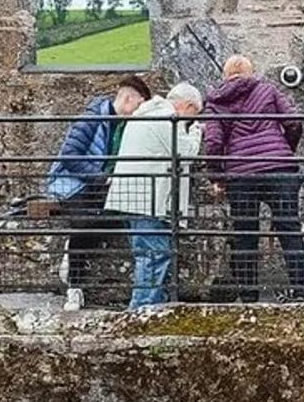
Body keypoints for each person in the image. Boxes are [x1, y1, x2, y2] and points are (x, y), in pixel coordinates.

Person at [203, 55, 304, 303]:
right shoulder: (268, 89)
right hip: (279, 170)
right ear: (251, 72)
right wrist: (284, 151)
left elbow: (213, 142)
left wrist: (217, 174)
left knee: (245, 234)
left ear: (226, 75)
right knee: (289, 229)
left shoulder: (216, 101)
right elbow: (293, 122)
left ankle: (250, 297)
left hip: (241, 174)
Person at [46, 75, 152, 311]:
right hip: (74, 183)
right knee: (83, 224)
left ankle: (72, 254)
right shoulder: (93, 117)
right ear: (127, 98)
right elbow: (70, 156)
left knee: (120, 213)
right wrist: (101, 176)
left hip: (100, 185)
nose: (138, 112)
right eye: (138, 106)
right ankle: (75, 286)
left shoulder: (124, 125)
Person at [104, 83, 203, 309]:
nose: (190, 120)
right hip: (149, 200)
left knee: (149, 253)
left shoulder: (148, 113)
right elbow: (185, 153)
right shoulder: (166, 117)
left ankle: (153, 306)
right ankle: (142, 309)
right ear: (187, 106)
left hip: (135, 196)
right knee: (154, 254)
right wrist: (196, 131)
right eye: (193, 114)